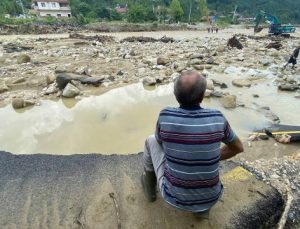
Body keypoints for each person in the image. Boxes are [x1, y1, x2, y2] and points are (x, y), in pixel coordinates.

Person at [141, 71, 244, 216]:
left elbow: (159, 141)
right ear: (202, 97)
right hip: (212, 198)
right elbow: (238, 148)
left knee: (150, 140)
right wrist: (209, 156)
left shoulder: (166, 115)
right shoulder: (217, 117)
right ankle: (201, 211)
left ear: (175, 95)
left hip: (172, 197)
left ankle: (150, 190)